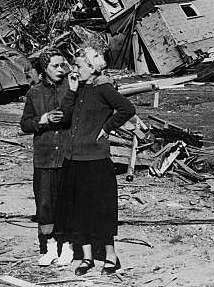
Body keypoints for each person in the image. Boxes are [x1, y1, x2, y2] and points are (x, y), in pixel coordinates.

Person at [56, 47, 135, 276]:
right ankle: (87, 258)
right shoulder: (77, 88)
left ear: (92, 68)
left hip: (96, 160)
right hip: (74, 159)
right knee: (78, 211)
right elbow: (65, 116)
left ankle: (111, 257)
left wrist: (106, 128)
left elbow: (127, 109)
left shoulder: (103, 87)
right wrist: (71, 91)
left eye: (79, 66)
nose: (74, 69)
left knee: (101, 210)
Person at [19, 49, 74, 266]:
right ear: (44, 68)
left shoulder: (72, 89)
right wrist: (42, 119)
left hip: (68, 155)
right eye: (55, 66)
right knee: (45, 204)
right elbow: (25, 124)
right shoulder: (34, 93)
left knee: (68, 203)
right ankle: (50, 247)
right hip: (44, 156)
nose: (60, 70)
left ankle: (68, 247)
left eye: (63, 65)